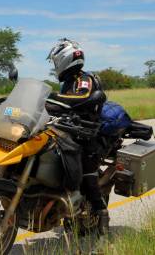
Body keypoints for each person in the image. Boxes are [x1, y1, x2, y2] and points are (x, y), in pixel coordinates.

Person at [47, 38, 109, 235]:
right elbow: (62, 107)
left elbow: (80, 99)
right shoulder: (67, 83)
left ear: (66, 60)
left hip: (86, 134)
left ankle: (101, 214)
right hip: (68, 130)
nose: (56, 67)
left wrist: (54, 99)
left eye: (56, 62)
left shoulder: (84, 79)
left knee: (87, 173)